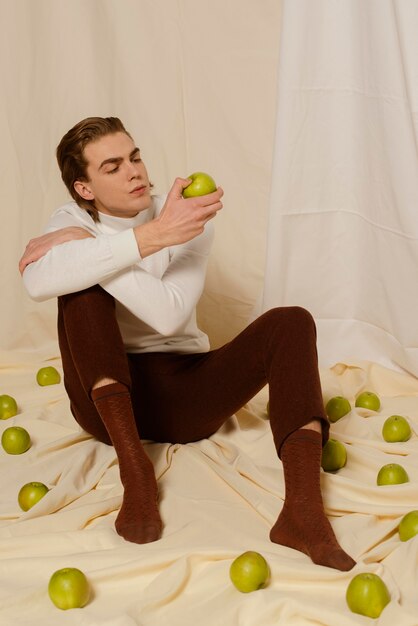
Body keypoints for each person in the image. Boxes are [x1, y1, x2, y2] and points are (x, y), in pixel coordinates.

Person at [19, 116, 355, 571]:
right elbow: (37, 281)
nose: (134, 171)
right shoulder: (71, 220)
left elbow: (167, 314)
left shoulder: (185, 215)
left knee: (292, 322)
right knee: (80, 290)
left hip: (186, 397)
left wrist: (94, 248)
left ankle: (302, 510)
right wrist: (144, 239)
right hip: (106, 407)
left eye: (134, 157)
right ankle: (135, 473)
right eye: (113, 167)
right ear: (84, 190)